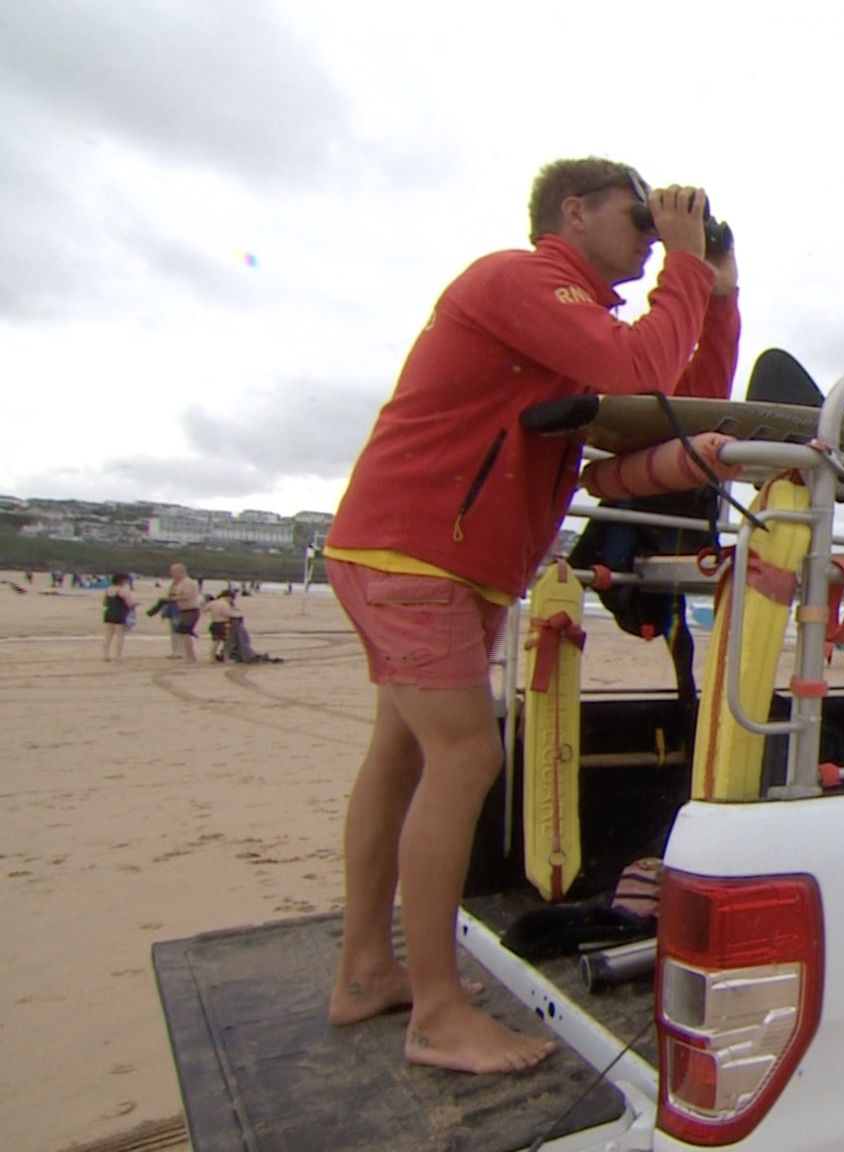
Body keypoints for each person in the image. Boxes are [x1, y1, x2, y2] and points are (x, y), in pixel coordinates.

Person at [321, 157, 741, 1075]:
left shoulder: (573, 326)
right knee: (467, 755)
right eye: (636, 217)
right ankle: (435, 1014)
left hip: (442, 559)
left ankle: (365, 971)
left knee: (401, 755)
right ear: (573, 210)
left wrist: (715, 285)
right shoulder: (520, 280)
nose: (647, 234)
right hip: (417, 552)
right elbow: (639, 363)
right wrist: (677, 263)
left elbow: (678, 398)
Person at [166, 563, 202, 663]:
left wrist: (174, 598)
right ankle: (189, 655)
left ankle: (191, 656)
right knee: (183, 633)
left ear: (181, 571)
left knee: (185, 633)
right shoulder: (179, 583)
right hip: (183, 611)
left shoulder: (188, 582)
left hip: (191, 610)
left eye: (173, 572)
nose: (172, 574)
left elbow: (187, 596)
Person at [100, 573, 136, 660]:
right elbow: (129, 604)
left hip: (108, 613)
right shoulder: (123, 591)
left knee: (107, 636)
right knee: (119, 636)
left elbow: (104, 603)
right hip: (120, 614)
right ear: (122, 581)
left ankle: (105, 655)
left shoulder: (108, 589)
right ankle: (117, 656)